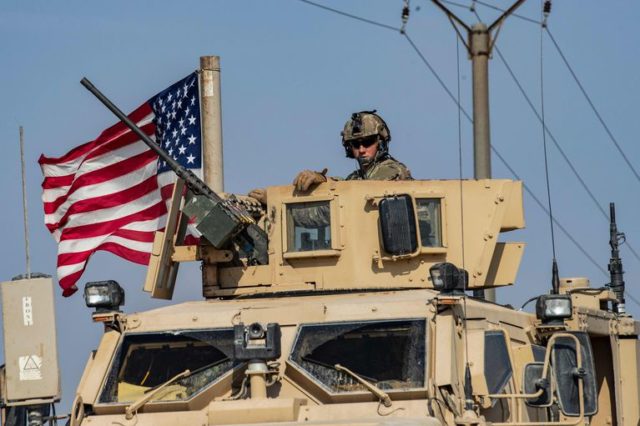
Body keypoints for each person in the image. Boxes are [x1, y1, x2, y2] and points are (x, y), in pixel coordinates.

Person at [248, 110, 412, 204]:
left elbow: (355, 194)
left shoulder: (393, 171)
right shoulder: (355, 177)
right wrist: (275, 200)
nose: (362, 150)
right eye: (355, 144)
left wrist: (324, 181)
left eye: (368, 142)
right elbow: (322, 212)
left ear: (380, 143)